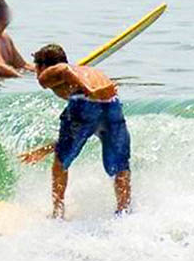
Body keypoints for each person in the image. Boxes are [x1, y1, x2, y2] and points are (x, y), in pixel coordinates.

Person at [20, 43, 132, 217]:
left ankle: (58, 214)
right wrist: (46, 149)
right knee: (120, 166)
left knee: (60, 165)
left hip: (85, 99)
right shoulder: (89, 70)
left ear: (42, 65)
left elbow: (64, 70)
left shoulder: (48, 74)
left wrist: (89, 90)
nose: (36, 73)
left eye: (36, 67)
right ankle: (124, 211)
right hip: (112, 103)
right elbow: (81, 132)